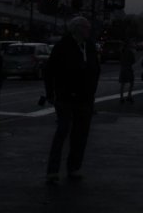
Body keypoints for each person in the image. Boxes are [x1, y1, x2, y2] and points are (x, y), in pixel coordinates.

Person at [43, 16, 100, 184]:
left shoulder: (89, 46)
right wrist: (50, 93)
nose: (88, 30)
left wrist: (92, 90)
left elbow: (95, 68)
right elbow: (50, 70)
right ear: (76, 29)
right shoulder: (62, 47)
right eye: (85, 27)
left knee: (80, 135)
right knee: (63, 131)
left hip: (85, 97)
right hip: (66, 96)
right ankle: (53, 170)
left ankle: (74, 167)